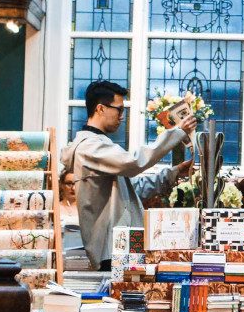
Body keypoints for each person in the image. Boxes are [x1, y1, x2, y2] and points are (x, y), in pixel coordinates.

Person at [60, 80, 196, 270]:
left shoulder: (100, 144)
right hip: (112, 246)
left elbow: (132, 188)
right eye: (119, 110)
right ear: (100, 108)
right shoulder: (89, 147)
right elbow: (134, 162)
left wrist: (173, 173)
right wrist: (177, 133)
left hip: (122, 242)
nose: (122, 117)